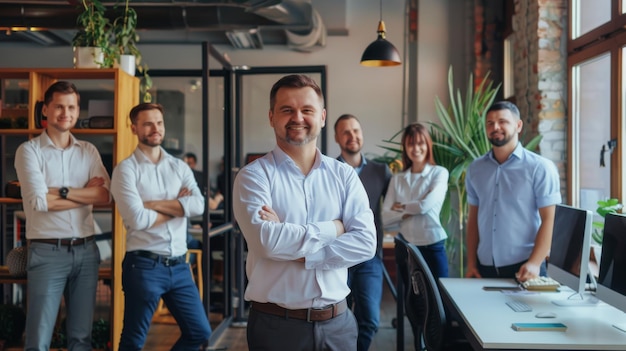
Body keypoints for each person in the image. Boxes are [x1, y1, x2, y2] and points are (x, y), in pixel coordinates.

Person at [232, 74, 377, 351]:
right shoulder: (253, 177)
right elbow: (267, 242)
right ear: (272, 116)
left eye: (307, 110)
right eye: (287, 110)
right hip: (277, 328)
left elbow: (366, 243)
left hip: (339, 325)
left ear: (322, 117)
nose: (297, 117)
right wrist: (335, 228)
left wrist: (300, 251)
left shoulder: (344, 176)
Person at [14, 81, 111, 351]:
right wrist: (83, 194)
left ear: (78, 111)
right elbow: (38, 201)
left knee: (81, 339)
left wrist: (63, 192)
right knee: (39, 340)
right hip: (47, 252)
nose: (65, 113)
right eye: (58, 106)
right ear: (45, 110)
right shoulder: (29, 151)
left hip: (86, 251)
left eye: (71, 107)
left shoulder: (88, 151)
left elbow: (105, 196)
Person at [110, 103, 211, 350]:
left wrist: (151, 205)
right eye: (147, 123)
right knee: (134, 340)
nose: (155, 128)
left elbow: (198, 205)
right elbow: (137, 219)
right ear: (134, 128)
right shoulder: (125, 170)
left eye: (159, 123)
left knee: (199, 332)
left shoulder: (179, 166)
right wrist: (178, 207)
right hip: (144, 266)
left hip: (179, 266)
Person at [465, 101, 562, 281]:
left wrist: (534, 262)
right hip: (484, 267)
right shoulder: (475, 169)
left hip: (525, 267)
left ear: (518, 126)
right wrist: (471, 263)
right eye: (490, 123)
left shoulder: (540, 168)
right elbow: (473, 220)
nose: (496, 127)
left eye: (503, 121)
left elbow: (551, 219)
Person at [334, 113, 391, 351]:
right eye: (346, 132)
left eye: (356, 130)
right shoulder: (329, 170)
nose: (352, 136)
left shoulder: (381, 171)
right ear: (337, 137)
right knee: (337, 321)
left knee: (369, 319)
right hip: (337, 258)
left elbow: (393, 208)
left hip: (370, 257)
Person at [382, 123, 450, 278]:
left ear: (428, 145)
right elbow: (385, 217)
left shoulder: (439, 173)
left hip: (432, 245)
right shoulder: (397, 179)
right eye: (411, 144)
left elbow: (424, 207)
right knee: (409, 300)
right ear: (405, 147)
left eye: (420, 143)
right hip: (405, 246)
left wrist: (400, 207)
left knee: (439, 299)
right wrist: (411, 209)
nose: (416, 148)